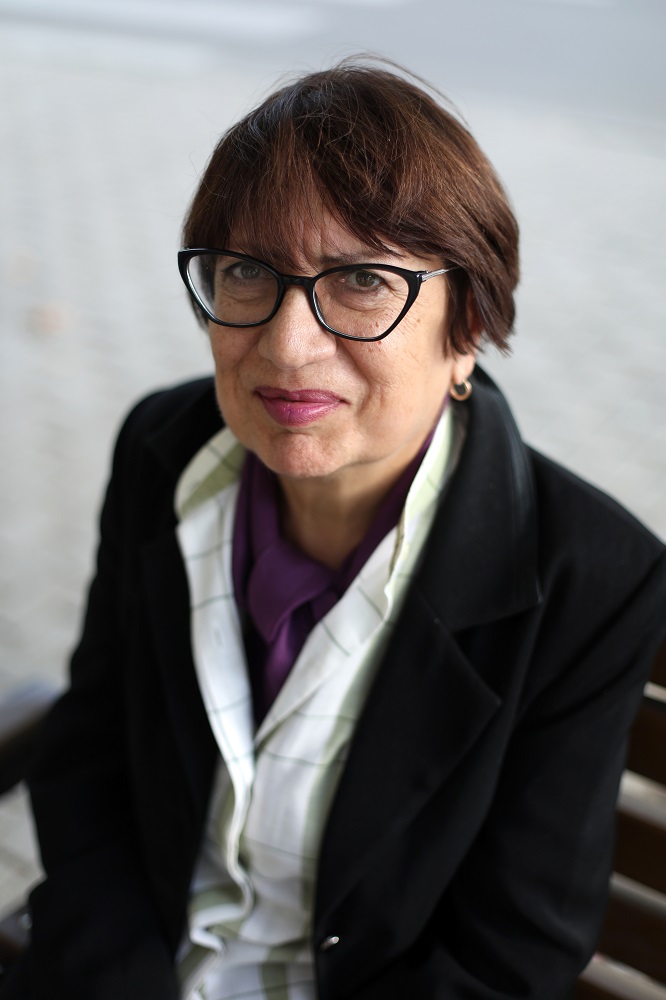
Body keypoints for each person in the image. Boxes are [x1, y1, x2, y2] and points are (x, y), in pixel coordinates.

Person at [4, 59, 665, 1000]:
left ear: (467, 323)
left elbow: (511, 952)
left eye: (359, 280)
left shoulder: (594, 580)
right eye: (246, 272)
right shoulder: (162, 450)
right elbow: (90, 762)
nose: (284, 345)